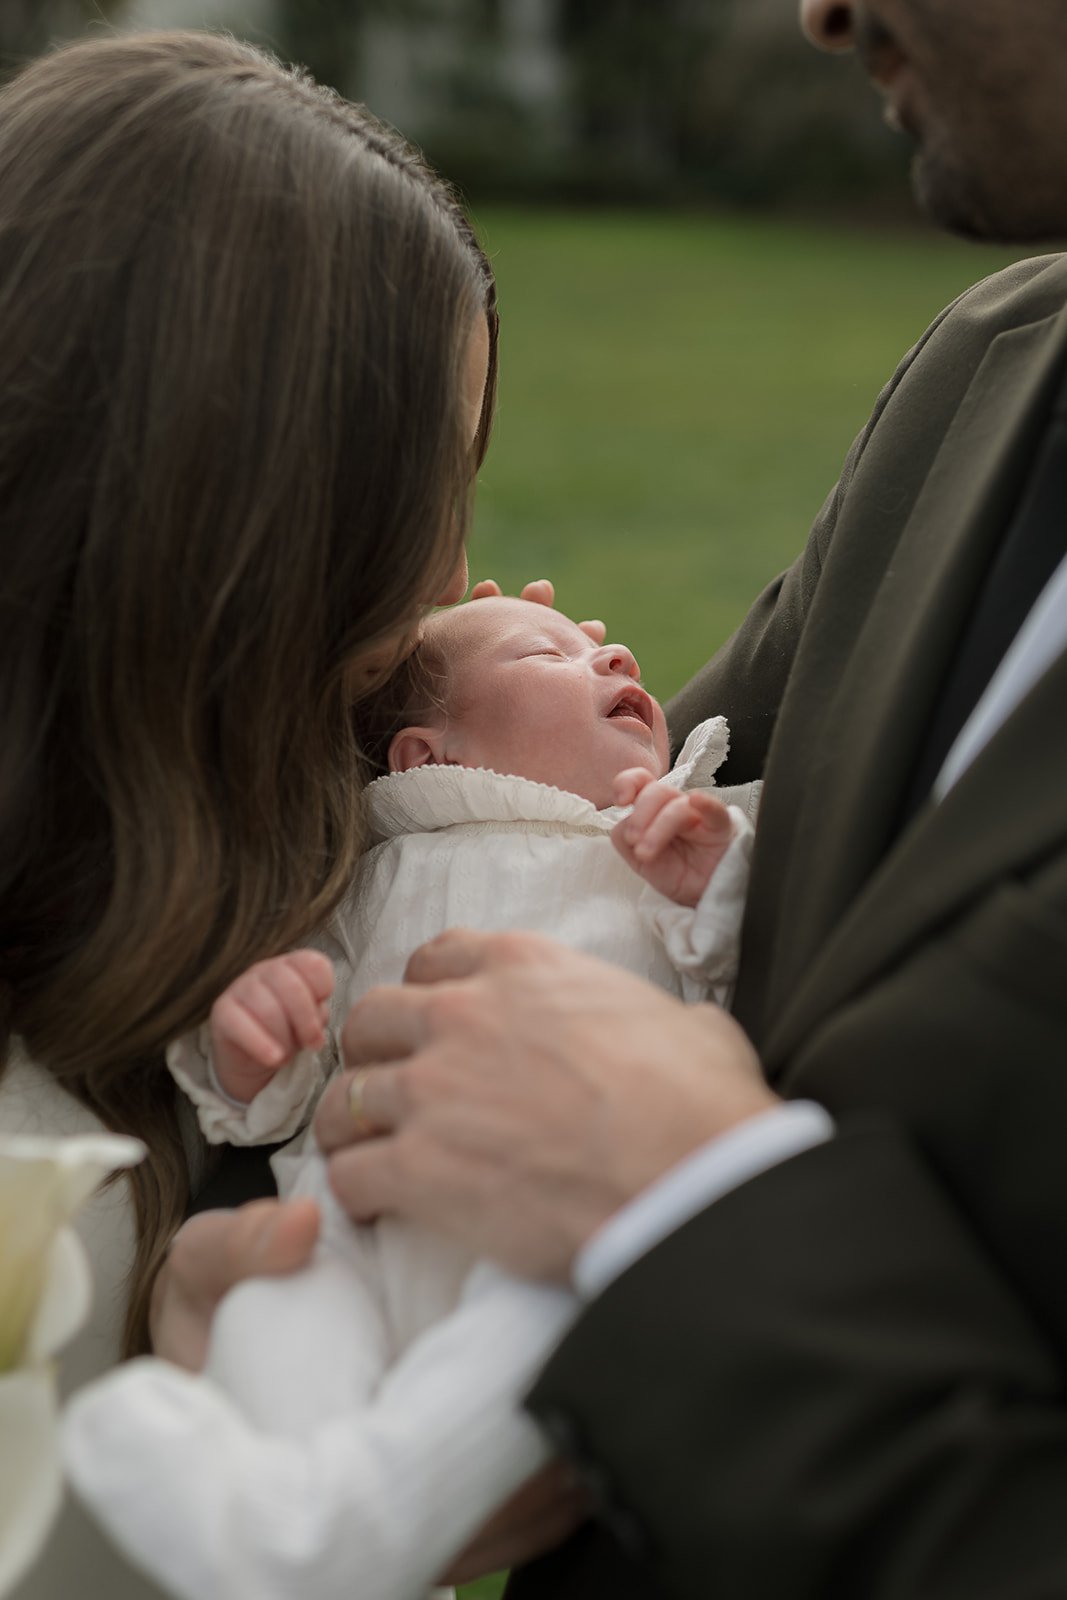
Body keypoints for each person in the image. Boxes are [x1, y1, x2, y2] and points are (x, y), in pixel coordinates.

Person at [274, 2, 1065, 1595]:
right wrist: (268, 1263)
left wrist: (694, 1214)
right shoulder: (985, 373)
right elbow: (542, 854)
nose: (819, 12)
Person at [0, 29, 503, 1600]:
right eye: (431, 490)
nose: (451, 585)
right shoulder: (38, 1191)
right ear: (249, 550)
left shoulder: (228, 928)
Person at [61, 596, 762, 1600]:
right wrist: (252, 1036)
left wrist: (711, 888)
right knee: (274, 1301)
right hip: (350, 1229)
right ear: (422, 757)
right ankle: (298, 1518)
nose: (608, 649)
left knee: (539, 1336)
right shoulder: (370, 871)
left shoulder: (651, 851)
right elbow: (274, 1092)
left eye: (604, 645)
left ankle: (324, 1542)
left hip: (545, 1225)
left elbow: (732, 994)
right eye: (545, 650)